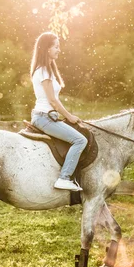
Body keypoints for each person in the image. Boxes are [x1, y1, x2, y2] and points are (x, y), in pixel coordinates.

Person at [30, 32, 87, 192]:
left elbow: (54, 100)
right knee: (80, 140)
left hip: (48, 116)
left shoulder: (45, 70)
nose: (58, 50)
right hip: (44, 117)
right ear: (47, 48)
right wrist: (69, 116)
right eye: (56, 46)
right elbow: (52, 101)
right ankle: (64, 178)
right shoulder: (44, 71)